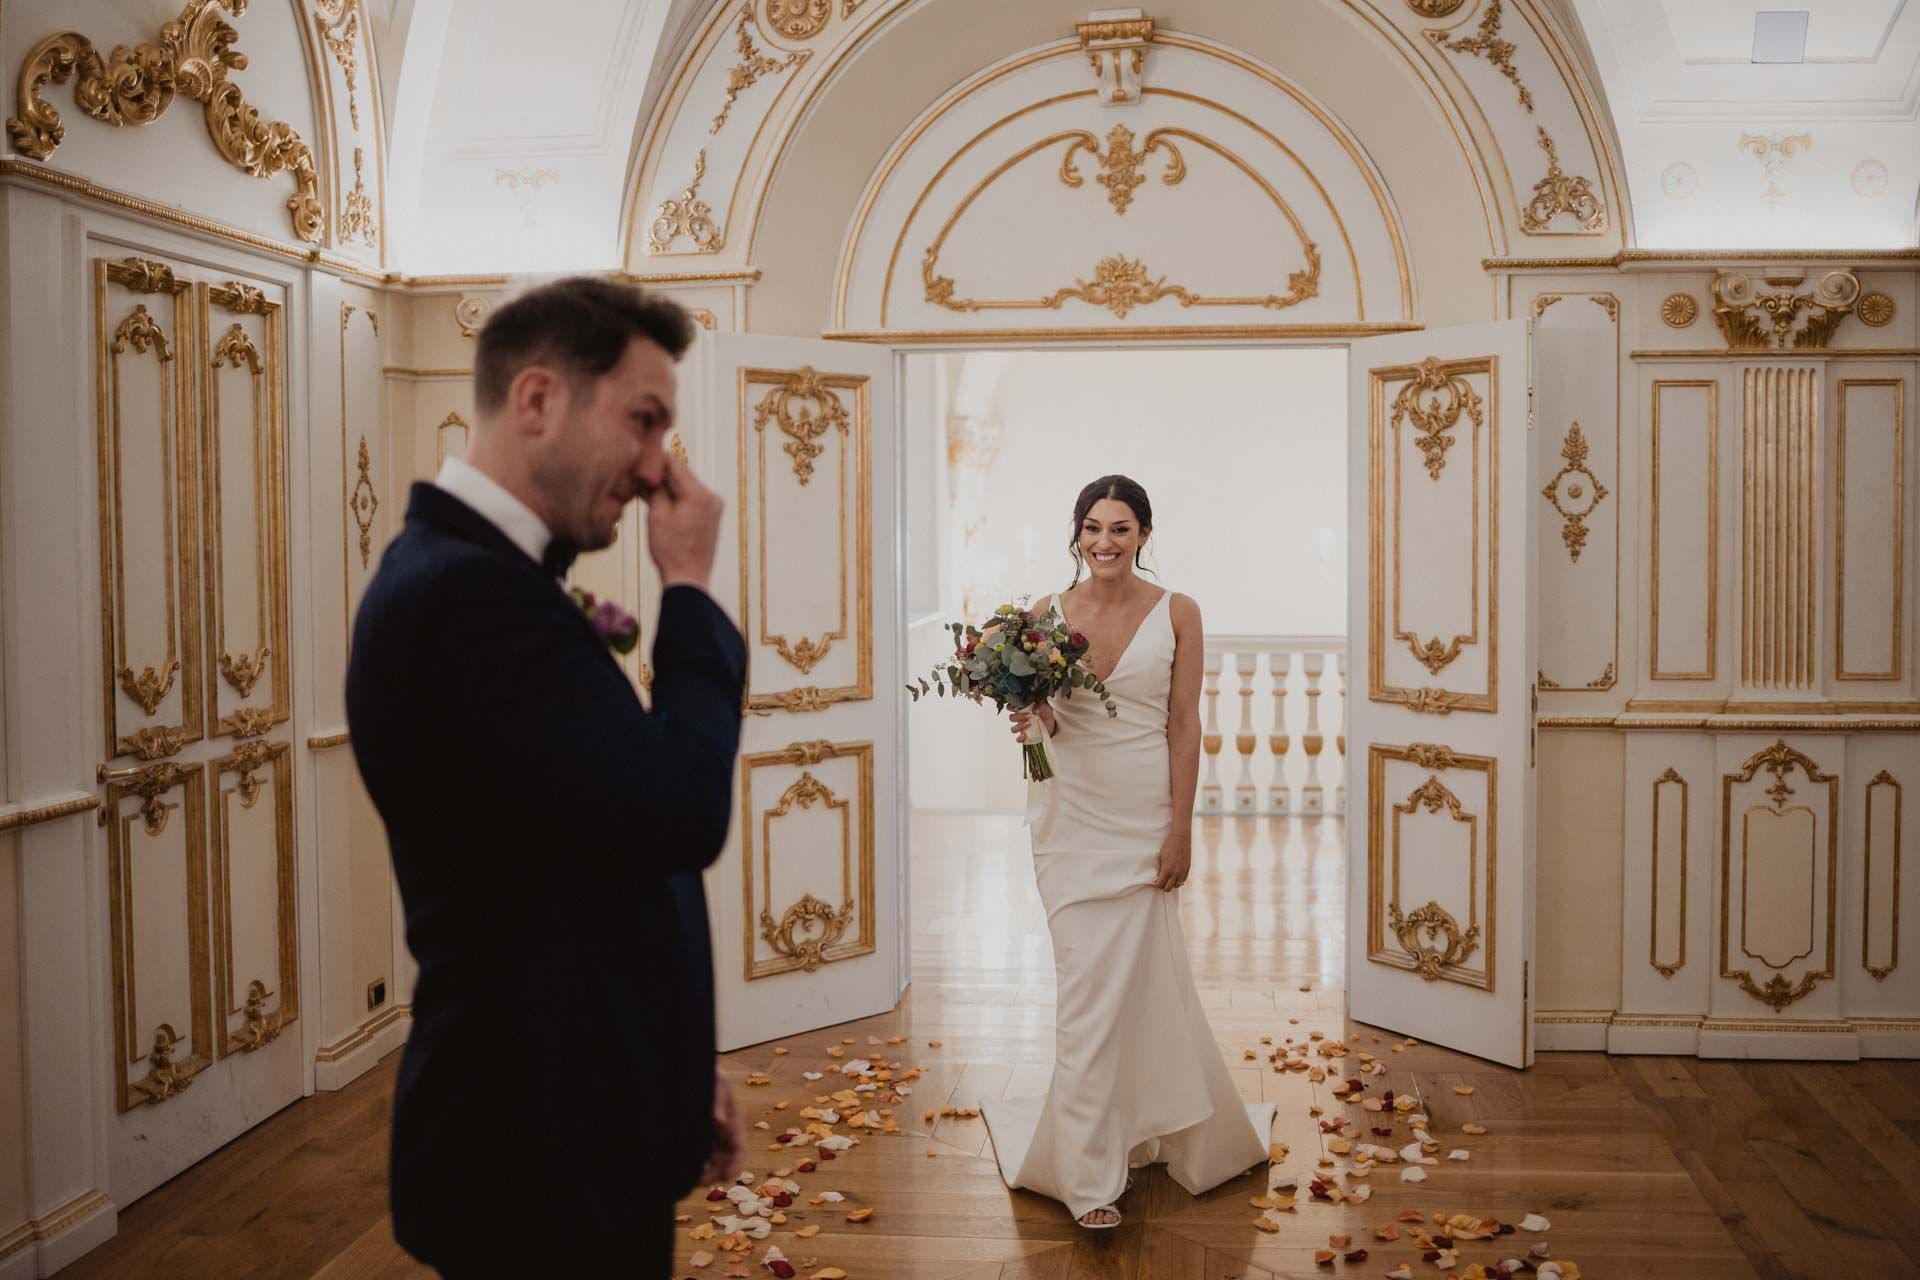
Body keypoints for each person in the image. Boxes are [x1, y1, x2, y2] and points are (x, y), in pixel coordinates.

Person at [346, 277, 748, 1276]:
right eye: (644, 421)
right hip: (531, 1153)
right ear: (537, 400)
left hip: (581, 1108)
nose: (660, 469)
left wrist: (674, 1065)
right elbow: (677, 811)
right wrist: (689, 588)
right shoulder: (463, 595)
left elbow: (588, 856)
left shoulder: (490, 577)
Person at [982, 475, 1273, 1229]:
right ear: (1075, 533)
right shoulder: (1043, 615)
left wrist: (1181, 828)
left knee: (1142, 985)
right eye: (1091, 527)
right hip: (1069, 818)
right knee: (1084, 995)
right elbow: (1048, 716)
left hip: (1144, 818)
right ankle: (1087, 1179)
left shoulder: (1178, 612)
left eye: (1119, 528)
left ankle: (1146, 1128)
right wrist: (1034, 716)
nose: (1103, 542)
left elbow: (1184, 726)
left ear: (1144, 533)